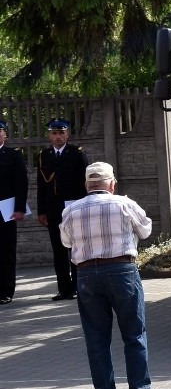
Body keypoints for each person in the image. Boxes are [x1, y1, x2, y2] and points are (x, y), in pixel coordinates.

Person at [60, 162, 162, 389]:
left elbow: (66, 241)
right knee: (134, 333)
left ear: (86, 185)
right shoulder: (124, 204)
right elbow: (146, 231)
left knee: (96, 337)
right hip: (122, 271)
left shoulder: (72, 210)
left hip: (86, 274)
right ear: (112, 184)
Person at [37, 118, 88, 301]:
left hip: (73, 207)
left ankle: (77, 287)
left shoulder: (77, 153)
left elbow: (84, 183)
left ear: (68, 134)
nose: (58, 136)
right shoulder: (44, 155)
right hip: (53, 210)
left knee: (74, 249)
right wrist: (41, 210)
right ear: (49, 135)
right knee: (58, 251)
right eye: (54, 133)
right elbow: (42, 185)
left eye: (61, 132)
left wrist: (84, 206)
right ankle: (63, 289)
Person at [0, 119, 28, 305]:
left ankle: (6, 290)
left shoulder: (13, 155)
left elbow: (21, 183)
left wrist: (19, 208)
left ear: (5, 135)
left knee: (6, 250)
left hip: (5, 210)